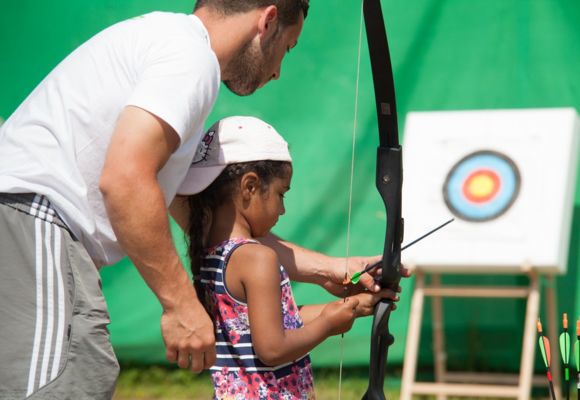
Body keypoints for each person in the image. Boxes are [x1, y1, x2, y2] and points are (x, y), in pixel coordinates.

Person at [0, 1, 408, 399]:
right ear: (267, 21)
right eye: (287, 48)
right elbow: (125, 180)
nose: (278, 71)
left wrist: (331, 269)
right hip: (36, 221)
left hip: (37, 229)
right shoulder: (190, 60)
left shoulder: (172, 46)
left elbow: (210, 225)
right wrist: (180, 305)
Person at [172, 115, 401, 399]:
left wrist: (354, 305)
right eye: (281, 194)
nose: (282, 210)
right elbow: (273, 349)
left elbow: (273, 323)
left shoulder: (211, 254)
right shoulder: (258, 258)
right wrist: (328, 324)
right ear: (250, 187)